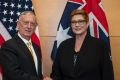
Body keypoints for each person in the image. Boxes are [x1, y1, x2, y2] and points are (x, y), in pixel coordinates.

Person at [50, 9, 114, 80]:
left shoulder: (100, 45)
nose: (77, 25)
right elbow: (56, 73)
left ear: (87, 23)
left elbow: (107, 75)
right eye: (73, 22)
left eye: (80, 21)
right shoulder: (63, 45)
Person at [0, 11, 43, 80]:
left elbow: (37, 72)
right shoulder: (8, 46)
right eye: (26, 23)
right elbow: (13, 74)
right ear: (18, 25)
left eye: (32, 24)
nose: (29, 27)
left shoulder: (36, 47)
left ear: (35, 27)